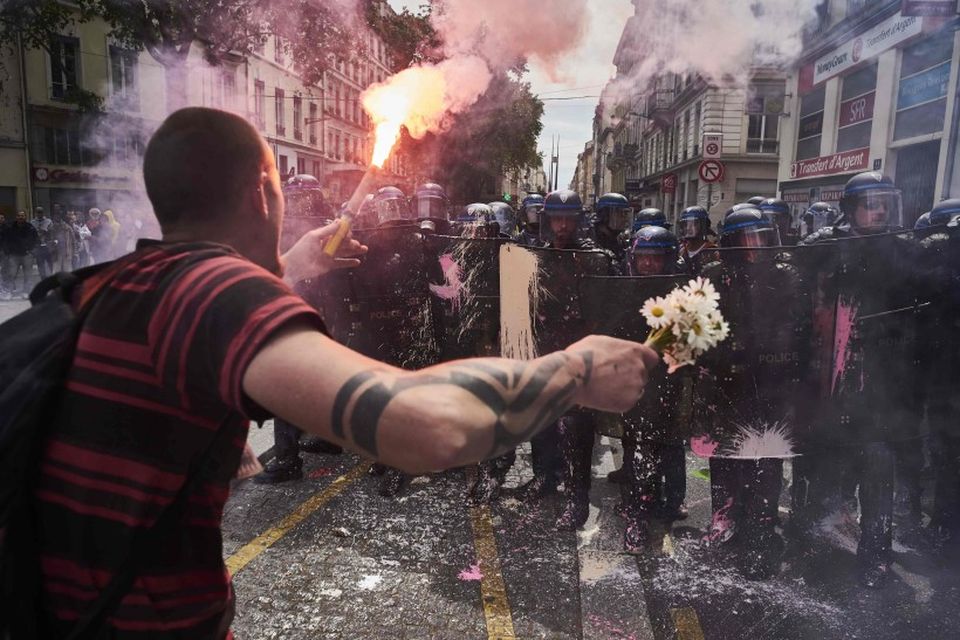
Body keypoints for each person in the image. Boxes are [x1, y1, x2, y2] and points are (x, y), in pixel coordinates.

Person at [24, 108, 659, 636]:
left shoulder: (110, 284)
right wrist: (574, 370)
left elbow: (191, 337)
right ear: (262, 192)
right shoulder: (216, 291)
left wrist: (288, 267)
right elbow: (421, 426)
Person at [798, 171, 918, 587]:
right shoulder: (832, 245)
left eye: (884, 202)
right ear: (851, 208)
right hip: (835, 380)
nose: (880, 210)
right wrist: (832, 238)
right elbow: (801, 259)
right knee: (827, 463)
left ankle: (876, 554)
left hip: (882, 384)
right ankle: (821, 531)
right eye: (871, 202)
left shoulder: (900, 248)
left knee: (878, 466)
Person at [700, 206, 810, 579]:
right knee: (727, 454)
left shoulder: (785, 276)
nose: (755, 249)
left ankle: (761, 527)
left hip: (773, 378)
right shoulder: (712, 275)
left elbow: (801, 326)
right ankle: (724, 515)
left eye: (761, 240)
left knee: (769, 456)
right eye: (746, 242)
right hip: (728, 380)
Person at [619, 226, 690, 552]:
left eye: (655, 258)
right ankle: (638, 512)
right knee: (639, 448)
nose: (648, 264)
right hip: (637, 381)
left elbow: (688, 345)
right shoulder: (626, 289)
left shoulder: (681, 294)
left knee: (672, 446)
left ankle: (672, 501)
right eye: (643, 258)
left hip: (671, 379)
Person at [2, 210, 39, 297]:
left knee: (28, 275)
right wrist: (7, 251)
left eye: (22, 216)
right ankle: (9, 292)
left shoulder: (30, 227)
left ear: (25, 217)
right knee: (11, 274)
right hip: (14, 255)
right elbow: (5, 240)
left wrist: (32, 252)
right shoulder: (10, 227)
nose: (20, 217)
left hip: (27, 255)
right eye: (19, 215)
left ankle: (26, 292)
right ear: (16, 217)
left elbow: (36, 240)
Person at [677, 205, 718, 275]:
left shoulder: (713, 251)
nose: (688, 228)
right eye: (685, 224)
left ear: (704, 226)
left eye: (694, 224)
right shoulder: (680, 250)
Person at [592, 192, 631, 261]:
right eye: (621, 214)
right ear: (605, 215)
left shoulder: (621, 240)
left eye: (626, 214)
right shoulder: (591, 239)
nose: (625, 219)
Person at [31, 206, 56, 279]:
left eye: (41, 212)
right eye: (38, 212)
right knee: (40, 264)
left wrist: (46, 232)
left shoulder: (48, 221)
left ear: (43, 213)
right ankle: (43, 279)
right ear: (35, 213)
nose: (39, 214)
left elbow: (52, 233)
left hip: (47, 246)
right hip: (38, 246)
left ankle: (51, 278)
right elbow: (31, 235)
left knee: (50, 263)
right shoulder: (32, 222)